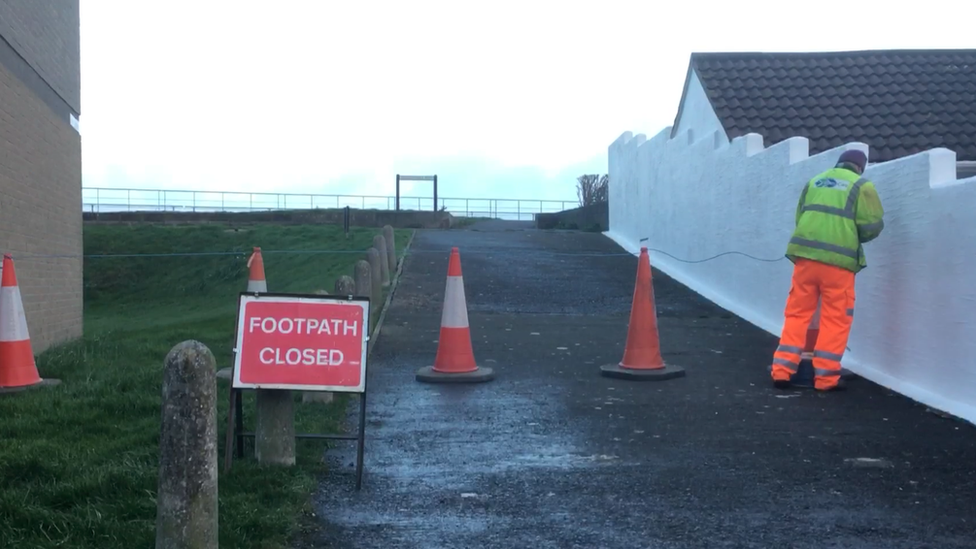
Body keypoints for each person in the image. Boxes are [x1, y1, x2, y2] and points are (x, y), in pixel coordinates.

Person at [769, 149, 885, 392]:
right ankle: (825, 378)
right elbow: (872, 227)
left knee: (797, 314)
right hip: (838, 262)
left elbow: (800, 216)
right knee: (835, 318)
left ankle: (781, 371)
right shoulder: (862, 185)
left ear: (839, 163)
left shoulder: (814, 181)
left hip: (805, 258)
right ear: (860, 167)